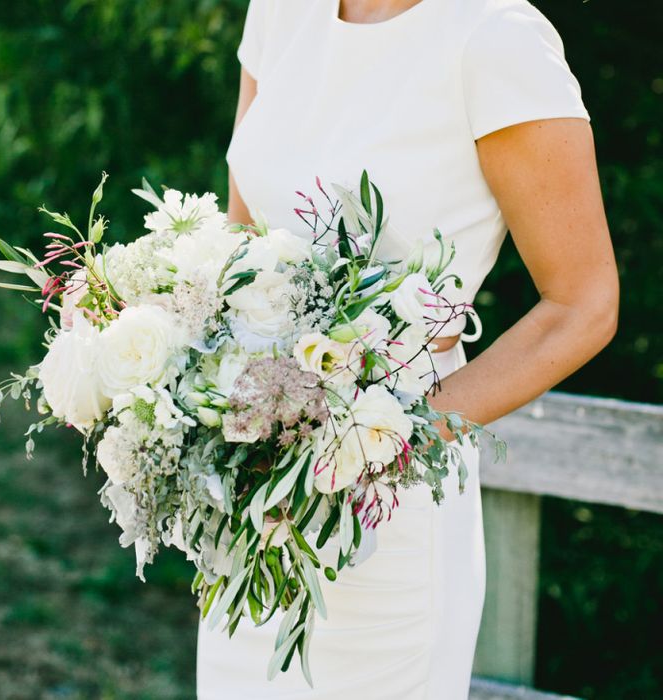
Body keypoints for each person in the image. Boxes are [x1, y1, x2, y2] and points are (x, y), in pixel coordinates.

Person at [197, 0, 619, 697]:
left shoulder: (495, 38)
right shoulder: (279, 9)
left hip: (386, 502)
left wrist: (386, 446)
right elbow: (243, 242)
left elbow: (584, 304)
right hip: (254, 489)